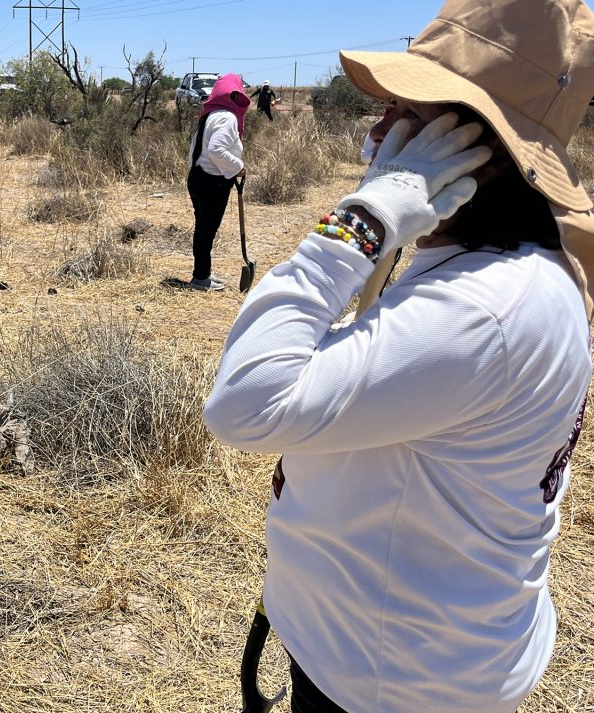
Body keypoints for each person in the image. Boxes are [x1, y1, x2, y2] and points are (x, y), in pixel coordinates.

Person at [202, 0, 594, 711]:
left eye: (401, 107)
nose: (376, 127)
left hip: (388, 679)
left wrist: (363, 217)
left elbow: (245, 402)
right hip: (408, 647)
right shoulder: (508, 266)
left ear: (469, 141)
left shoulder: (484, 309)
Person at [186, 73, 248, 291]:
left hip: (198, 177)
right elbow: (215, 149)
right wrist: (238, 167)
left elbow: (196, 150)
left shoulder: (210, 114)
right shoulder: (228, 118)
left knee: (204, 229)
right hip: (212, 181)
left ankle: (203, 274)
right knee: (206, 229)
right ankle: (201, 278)